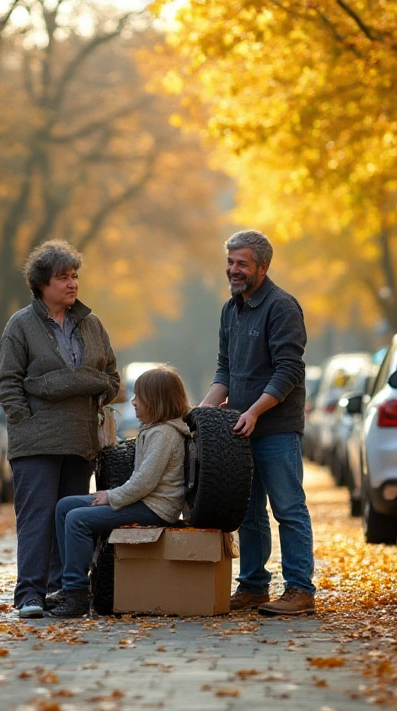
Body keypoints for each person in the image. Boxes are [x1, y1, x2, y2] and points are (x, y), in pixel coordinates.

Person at [0, 240, 121, 619]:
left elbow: (112, 377)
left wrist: (90, 387)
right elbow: (8, 384)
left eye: (74, 276)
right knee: (36, 520)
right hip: (35, 442)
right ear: (41, 285)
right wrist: (26, 421)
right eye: (62, 277)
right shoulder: (21, 325)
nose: (72, 283)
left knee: (68, 521)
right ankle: (30, 594)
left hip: (79, 440)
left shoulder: (92, 324)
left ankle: (61, 592)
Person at [200, 229, 316, 616]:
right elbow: (225, 371)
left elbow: (288, 371)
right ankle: (253, 586)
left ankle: (300, 589)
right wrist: (201, 414)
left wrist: (254, 411)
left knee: (288, 508)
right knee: (248, 512)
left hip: (276, 429)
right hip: (239, 430)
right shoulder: (229, 309)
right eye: (230, 262)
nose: (233, 270)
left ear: (262, 267)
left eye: (242, 264)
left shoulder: (282, 307)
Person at [48, 366, 192, 618]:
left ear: (157, 401)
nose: (133, 402)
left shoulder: (165, 434)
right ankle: (67, 585)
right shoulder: (153, 430)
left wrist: (110, 496)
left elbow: (145, 483)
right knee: (65, 506)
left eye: (139, 396)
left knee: (77, 519)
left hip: (155, 509)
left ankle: (76, 594)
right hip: (143, 501)